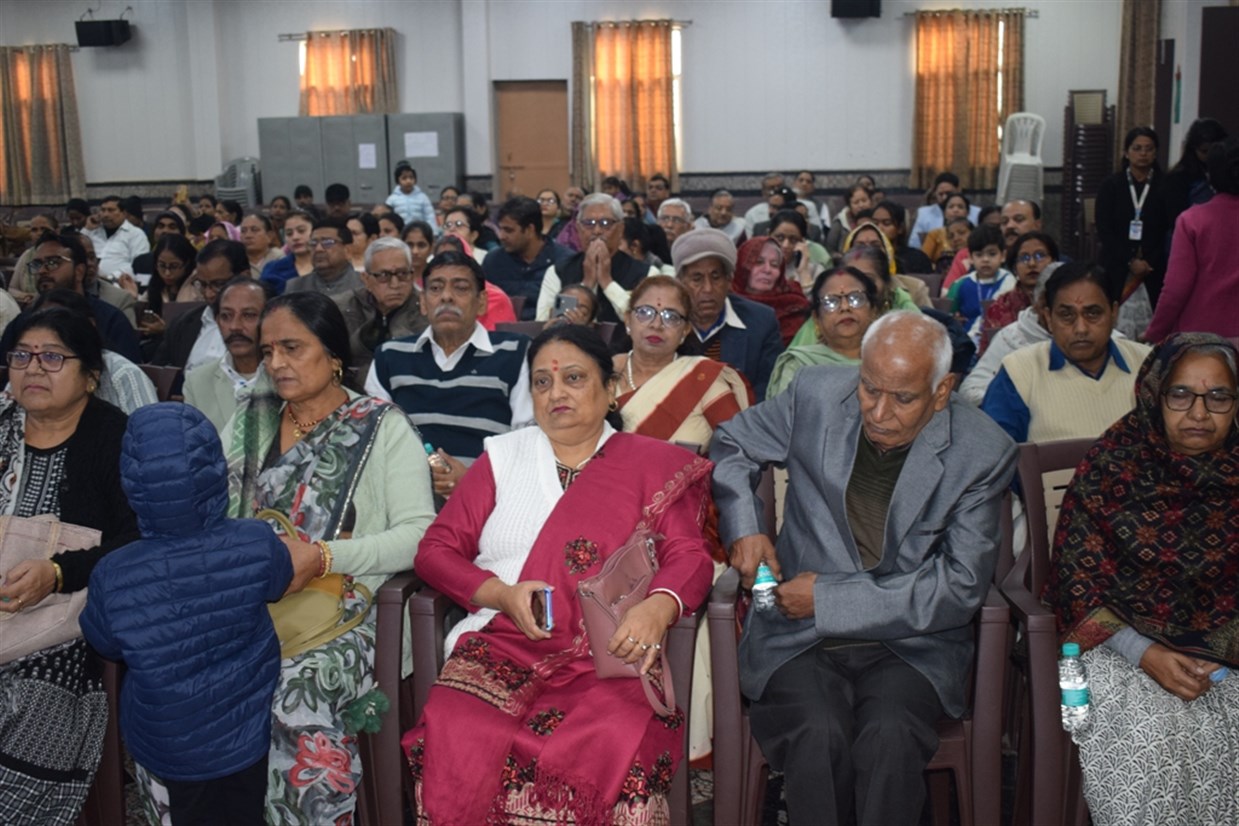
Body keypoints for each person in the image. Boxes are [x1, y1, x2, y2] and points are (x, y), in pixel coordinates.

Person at [710, 311, 1017, 826]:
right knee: (818, 731)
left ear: (942, 391)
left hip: (910, 643)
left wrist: (828, 599)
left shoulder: (982, 452)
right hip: (797, 637)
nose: (878, 412)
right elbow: (732, 443)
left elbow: (960, 586)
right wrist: (745, 527)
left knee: (889, 736)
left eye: (903, 398)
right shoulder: (814, 394)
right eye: (869, 388)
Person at [403, 323, 715, 824]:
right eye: (542, 383)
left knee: (615, 736)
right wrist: (501, 595)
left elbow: (690, 555)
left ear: (609, 389)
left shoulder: (652, 465)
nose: (556, 393)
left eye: (574, 378)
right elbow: (436, 551)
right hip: (502, 642)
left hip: (610, 653)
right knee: (457, 720)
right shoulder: (503, 458)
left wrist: (659, 606)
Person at [196, 290, 434, 823]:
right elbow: (207, 509)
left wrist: (323, 557)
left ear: (332, 355)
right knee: (176, 674)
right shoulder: (253, 419)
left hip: (350, 608)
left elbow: (419, 535)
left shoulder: (380, 425)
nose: (277, 363)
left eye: (292, 348)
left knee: (293, 691)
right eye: (268, 351)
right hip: (249, 601)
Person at [1043, 333, 1239, 826]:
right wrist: (1146, 653)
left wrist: (1220, 647)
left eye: (1219, 396)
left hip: (1228, 654)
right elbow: (1076, 583)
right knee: (1154, 733)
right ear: (1154, 393)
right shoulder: (1113, 466)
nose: (1199, 412)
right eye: (1181, 394)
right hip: (1117, 648)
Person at [79, 403, 292, 826]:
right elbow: (279, 582)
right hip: (246, 724)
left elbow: (103, 641)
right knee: (244, 811)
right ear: (215, 469)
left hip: (167, 736)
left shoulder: (112, 573)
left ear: (131, 481)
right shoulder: (256, 540)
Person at [0, 308, 138, 824]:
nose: (34, 368)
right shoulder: (1, 425)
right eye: (21, 356)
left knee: (35, 702)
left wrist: (58, 572)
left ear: (91, 376)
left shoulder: (116, 438)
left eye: (53, 357)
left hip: (61, 632)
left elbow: (140, 541)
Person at [366, 251, 533, 497]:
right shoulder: (390, 356)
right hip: (405, 496)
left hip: (488, 498)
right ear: (423, 302)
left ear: (482, 302)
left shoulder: (514, 353)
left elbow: (527, 441)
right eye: (435, 288)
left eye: (461, 288)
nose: (446, 296)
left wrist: (473, 480)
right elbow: (375, 442)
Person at [982, 262, 1151, 443]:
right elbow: (993, 452)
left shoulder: (1148, 365)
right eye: (1067, 315)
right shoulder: (1019, 373)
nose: (1081, 329)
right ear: (1048, 318)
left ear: (1113, 313)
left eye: (1093, 313)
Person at [614, 275, 750, 451]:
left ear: (685, 330)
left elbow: (741, 449)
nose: (656, 325)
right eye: (645, 313)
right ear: (627, 319)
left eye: (671, 317)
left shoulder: (703, 378)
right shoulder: (602, 372)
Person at [1146, 136, 1239, 341]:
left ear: (1210, 174)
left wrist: (1154, 333)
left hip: (1201, 337)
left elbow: (1176, 289)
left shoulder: (1192, 221)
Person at [1, 232, 142, 364]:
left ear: (79, 271)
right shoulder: (22, 321)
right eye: (37, 265)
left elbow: (126, 373)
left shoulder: (110, 320)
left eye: (53, 262)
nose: (42, 271)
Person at [674, 228, 781, 401]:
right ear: (680, 283)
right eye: (697, 279)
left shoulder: (761, 322)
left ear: (729, 281)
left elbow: (767, 390)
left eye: (716, 277)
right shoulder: (667, 322)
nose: (708, 288)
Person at [535, 193, 658, 324]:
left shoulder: (646, 273)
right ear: (578, 229)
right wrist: (586, 286)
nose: (597, 231)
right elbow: (543, 324)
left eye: (605, 223)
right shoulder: (558, 272)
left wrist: (608, 283)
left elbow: (646, 321)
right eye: (589, 223)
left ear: (620, 229)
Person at [29, 289, 157, 414]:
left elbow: (149, 426)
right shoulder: (26, 368)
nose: (48, 333)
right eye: (40, 324)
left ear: (90, 325)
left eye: (59, 324)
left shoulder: (123, 374)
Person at [767, 266, 882, 398]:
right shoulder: (799, 365)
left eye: (856, 299)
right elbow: (785, 410)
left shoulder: (891, 358)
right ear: (817, 318)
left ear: (874, 310)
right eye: (831, 302)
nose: (845, 307)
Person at [1097, 127, 1170, 307]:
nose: (1143, 153)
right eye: (1137, 148)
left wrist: (1148, 262)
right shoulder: (1111, 185)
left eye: (1149, 149)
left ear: (1155, 153)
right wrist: (1130, 261)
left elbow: (1169, 228)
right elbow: (1104, 229)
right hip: (1117, 262)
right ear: (1126, 152)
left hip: (1153, 265)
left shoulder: (1166, 185)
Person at [184, 278, 269, 431]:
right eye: (226, 316)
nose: (235, 326)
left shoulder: (290, 377)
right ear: (217, 321)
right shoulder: (197, 382)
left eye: (248, 315)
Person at [152, 239, 248, 373]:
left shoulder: (265, 323)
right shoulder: (182, 324)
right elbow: (159, 375)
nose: (209, 294)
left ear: (244, 276)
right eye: (202, 285)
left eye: (218, 284)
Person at [340, 236, 429, 378]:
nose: (395, 284)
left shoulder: (428, 310)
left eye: (402, 274)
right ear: (366, 279)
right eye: (383, 275)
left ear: (412, 274)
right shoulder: (343, 307)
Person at [484, 196, 572, 321]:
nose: (501, 236)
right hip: (500, 330)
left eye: (509, 230)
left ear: (530, 230)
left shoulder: (565, 261)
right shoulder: (493, 261)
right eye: (501, 229)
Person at [978, 231, 1058, 353]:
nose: (1032, 264)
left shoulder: (1063, 300)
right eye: (1024, 258)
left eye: (1040, 256)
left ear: (1054, 262)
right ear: (1014, 268)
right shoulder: (999, 308)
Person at [729, 235, 811, 347]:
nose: (767, 270)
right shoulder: (726, 301)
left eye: (774, 265)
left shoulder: (793, 303)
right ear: (743, 265)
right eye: (759, 262)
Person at [945, 224, 1015, 344]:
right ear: (970, 258)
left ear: (1003, 256)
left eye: (992, 254)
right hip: (965, 343)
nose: (985, 259)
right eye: (979, 255)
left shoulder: (1009, 282)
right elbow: (947, 316)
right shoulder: (960, 284)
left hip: (1000, 340)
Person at [283, 218, 364, 306]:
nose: (318, 249)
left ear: (347, 250)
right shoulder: (295, 287)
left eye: (327, 242)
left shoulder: (364, 284)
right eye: (313, 243)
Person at [908, 172, 982, 249]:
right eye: (940, 194)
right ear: (935, 193)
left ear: (958, 190)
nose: (944, 197)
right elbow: (914, 244)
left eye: (948, 193)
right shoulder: (924, 213)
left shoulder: (977, 212)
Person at [84, 194, 150, 280]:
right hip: (90, 281)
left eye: (111, 210)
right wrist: (87, 229)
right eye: (103, 210)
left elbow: (139, 264)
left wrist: (111, 277)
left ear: (124, 213)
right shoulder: (93, 232)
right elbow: (77, 249)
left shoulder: (135, 234)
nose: (105, 215)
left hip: (120, 283)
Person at [258, 210, 315, 296]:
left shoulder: (328, 265)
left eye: (301, 231)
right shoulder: (272, 269)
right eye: (289, 233)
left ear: (315, 232)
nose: (295, 237)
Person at [872, 201, 933, 274]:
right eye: (875, 223)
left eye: (887, 223)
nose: (879, 228)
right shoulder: (866, 256)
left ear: (900, 228)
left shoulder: (917, 259)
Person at [919, 193, 971, 268]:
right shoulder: (935, 234)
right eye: (951, 207)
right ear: (944, 213)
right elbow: (923, 260)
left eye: (960, 207)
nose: (955, 210)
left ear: (967, 213)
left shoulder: (975, 232)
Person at [385, 162, 438, 229]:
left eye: (411, 177)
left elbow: (429, 216)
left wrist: (433, 231)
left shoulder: (422, 197)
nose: (408, 181)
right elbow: (387, 218)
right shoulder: (392, 199)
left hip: (419, 230)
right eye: (404, 178)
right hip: (400, 231)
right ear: (398, 181)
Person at [825, 183, 873, 255]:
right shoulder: (840, 222)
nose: (861, 205)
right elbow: (829, 250)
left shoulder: (878, 218)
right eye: (856, 202)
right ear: (849, 205)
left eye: (864, 200)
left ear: (871, 201)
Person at [240, 213, 283, 279]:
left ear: (269, 236)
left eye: (254, 230)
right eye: (243, 231)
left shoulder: (280, 258)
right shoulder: (236, 261)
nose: (248, 235)